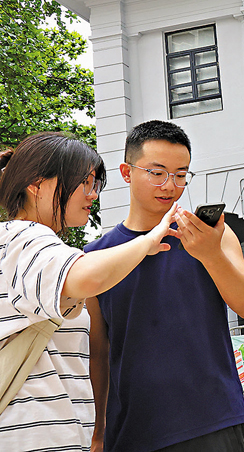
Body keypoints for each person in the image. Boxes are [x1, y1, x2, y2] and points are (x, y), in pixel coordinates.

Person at [86, 121, 244, 451]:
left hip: (216, 419)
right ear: (126, 172)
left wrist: (210, 255)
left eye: (181, 174)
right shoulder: (95, 256)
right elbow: (99, 352)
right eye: (157, 172)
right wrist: (98, 431)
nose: (170, 185)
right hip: (133, 431)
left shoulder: (211, 236)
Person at [0, 132, 177, 450]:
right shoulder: (23, 237)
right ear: (36, 184)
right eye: (84, 182)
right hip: (34, 437)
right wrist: (147, 241)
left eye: (95, 184)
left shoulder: (27, 244)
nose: (92, 194)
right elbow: (87, 277)